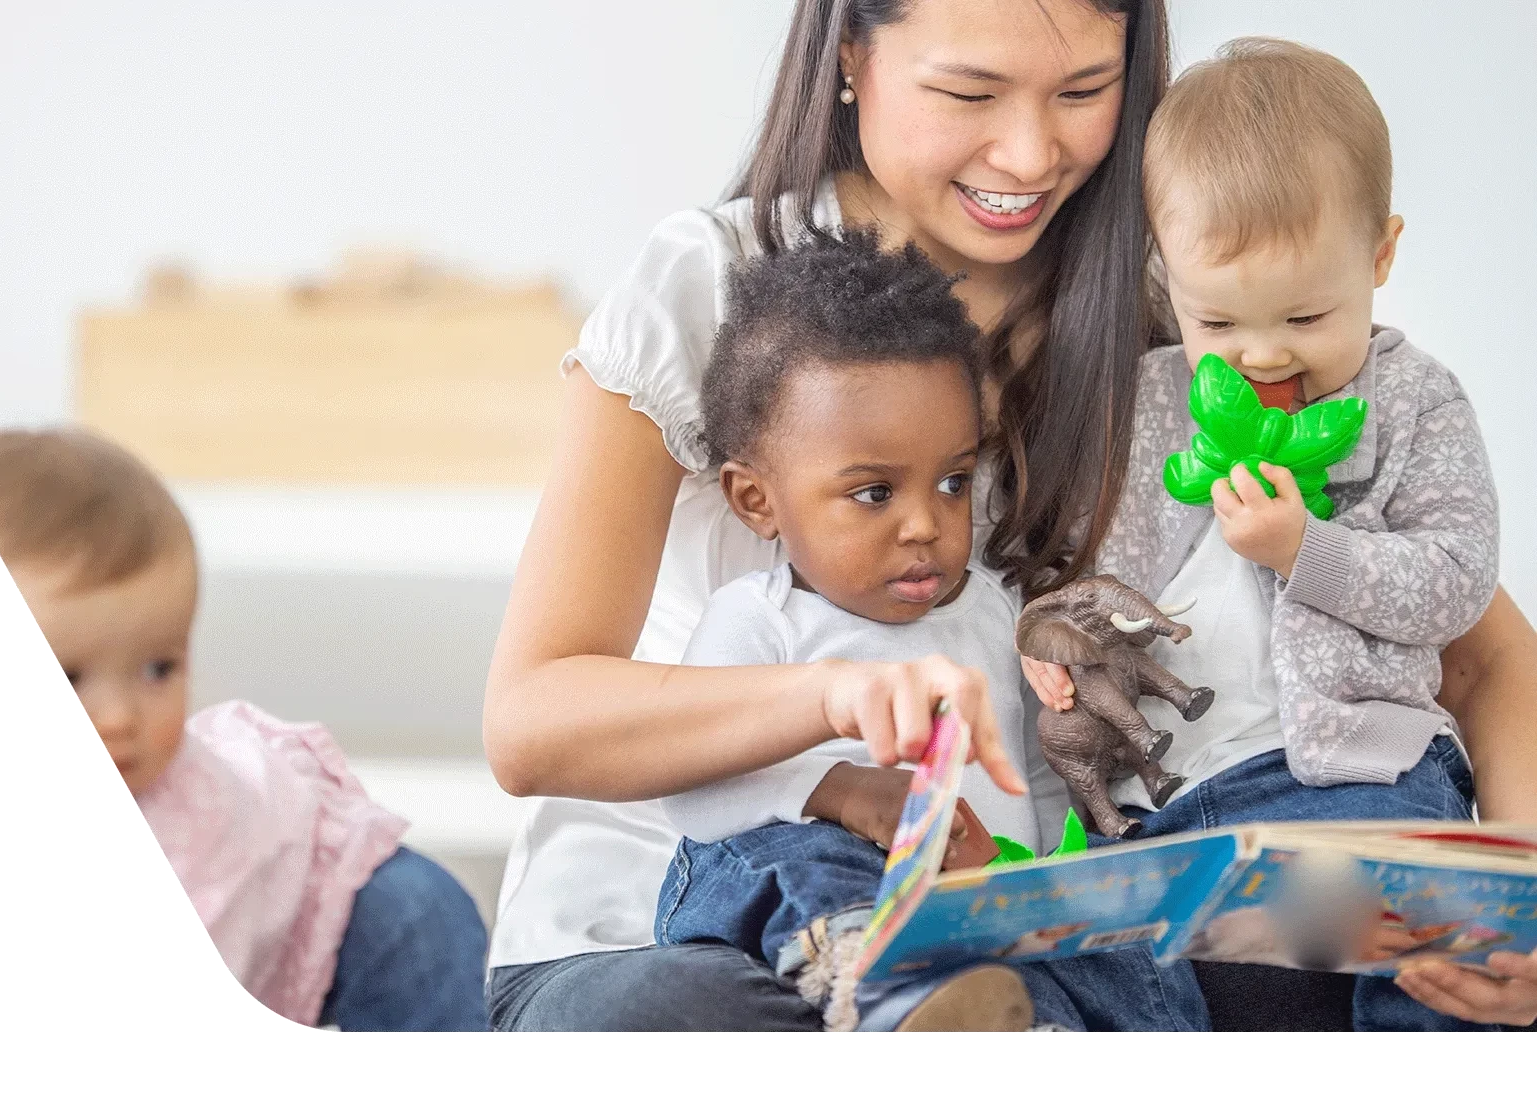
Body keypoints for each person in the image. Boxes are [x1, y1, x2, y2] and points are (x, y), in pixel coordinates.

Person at [484, 0, 1537, 1032]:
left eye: (1082, 89)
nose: (1030, 155)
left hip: (1007, 915)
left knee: (1303, 973)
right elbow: (533, 720)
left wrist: (1521, 906)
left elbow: (1478, 654)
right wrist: (837, 703)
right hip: (666, 918)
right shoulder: (711, 285)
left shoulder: (1190, 326)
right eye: (969, 90)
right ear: (850, 52)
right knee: (693, 1013)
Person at [1022, 38, 1525, 1031]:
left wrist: (1307, 549)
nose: (1259, 354)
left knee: (1426, 962)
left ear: (1378, 255)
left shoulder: (1412, 401)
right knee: (1107, 972)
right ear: (1166, 279)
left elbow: (1457, 580)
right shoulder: (1143, 405)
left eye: (1304, 314)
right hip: (1164, 810)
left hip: (1351, 777)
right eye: (1217, 321)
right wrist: (1058, 647)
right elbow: (1087, 578)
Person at [650, 229, 1209, 1031]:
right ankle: (883, 987)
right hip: (824, 897)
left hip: (978, 901)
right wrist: (846, 796)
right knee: (784, 852)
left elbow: (1036, 770)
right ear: (756, 501)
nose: (927, 524)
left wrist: (1045, 868)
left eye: (953, 480)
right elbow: (692, 790)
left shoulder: (988, 609)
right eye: (874, 493)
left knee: (1122, 926)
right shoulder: (758, 619)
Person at [0, 428, 491, 1032]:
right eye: (73, 675)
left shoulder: (202, 812)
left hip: (296, 904)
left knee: (419, 914)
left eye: (159, 668)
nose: (122, 716)